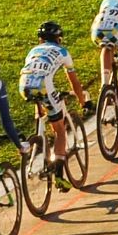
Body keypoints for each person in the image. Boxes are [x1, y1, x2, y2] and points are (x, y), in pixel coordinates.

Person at [20, 21, 83, 160]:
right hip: (44, 86)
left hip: (24, 84)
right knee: (59, 129)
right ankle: (59, 172)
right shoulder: (63, 52)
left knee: (40, 108)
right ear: (59, 39)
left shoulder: (33, 51)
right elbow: (74, 82)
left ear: (40, 39)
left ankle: (44, 154)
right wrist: (83, 102)